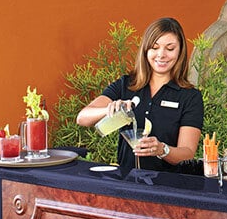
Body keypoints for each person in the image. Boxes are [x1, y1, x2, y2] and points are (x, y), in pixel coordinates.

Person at [77, 17, 203, 172]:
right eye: (154, 47)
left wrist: (162, 150)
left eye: (170, 49)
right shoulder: (127, 84)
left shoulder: (190, 96)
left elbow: (187, 153)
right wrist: (111, 109)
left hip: (169, 185)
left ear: (180, 52)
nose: (161, 55)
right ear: (145, 50)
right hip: (126, 181)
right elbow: (82, 118)